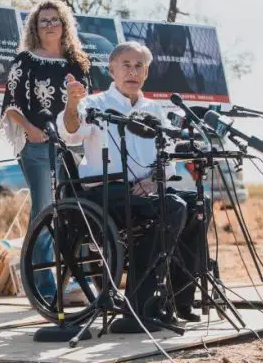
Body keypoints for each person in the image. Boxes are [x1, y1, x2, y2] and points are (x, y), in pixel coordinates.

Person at [58, 41, 206, 324]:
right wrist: (72, 103)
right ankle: (141, 306)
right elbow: (70, 134)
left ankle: (180, 300)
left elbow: (167, 153)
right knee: (172, 207)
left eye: (139, 66)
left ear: (146, 73)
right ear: (111, 70)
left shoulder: (154, 108)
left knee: (199, 204)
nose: (132, 71)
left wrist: (154, 179)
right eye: (125, 65)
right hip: (104, 192)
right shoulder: (95, 104)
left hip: (146, 190)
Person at [0, 0, 92, 298]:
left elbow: (89, 104)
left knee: (76, 212)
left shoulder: (77, 63)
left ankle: (78, 278)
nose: (50, 25)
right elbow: (11, 105)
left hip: (74, 147)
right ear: (35, 28)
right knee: (45, 211)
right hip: (37, 146)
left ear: (64, 24)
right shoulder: (25, 61)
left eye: (55, 20)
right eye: (43, 21)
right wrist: (30, 129)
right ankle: (42, 287)